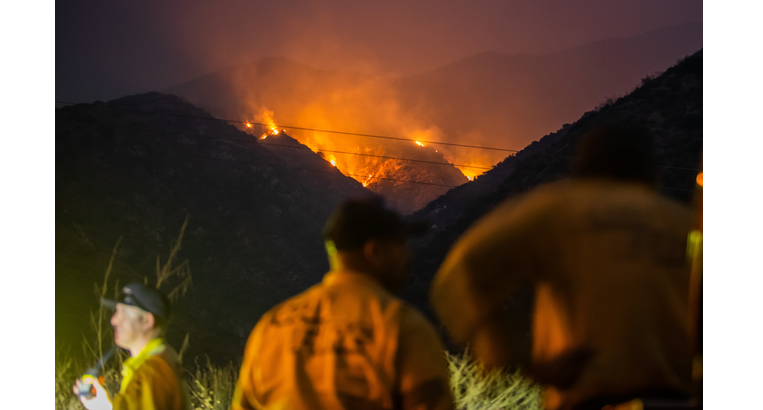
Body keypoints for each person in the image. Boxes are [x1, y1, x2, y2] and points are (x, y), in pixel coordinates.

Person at [431, 124, 695, 410]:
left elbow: (463, 268)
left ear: (581, 172)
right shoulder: (685, 225)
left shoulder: (557, 210)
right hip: (677, 400)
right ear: (650, 173)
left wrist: (507, 354)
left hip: (585, 397)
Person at [232, 198, 455, 410]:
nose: (408, 255)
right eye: (401, 243)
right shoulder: (401, 326)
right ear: (375, 251)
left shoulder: (271, 326)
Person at [74, 282, 191, 410]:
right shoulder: (161, 362)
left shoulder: (152, 371)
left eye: (122, 312)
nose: (113, 320)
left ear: (147, 321)